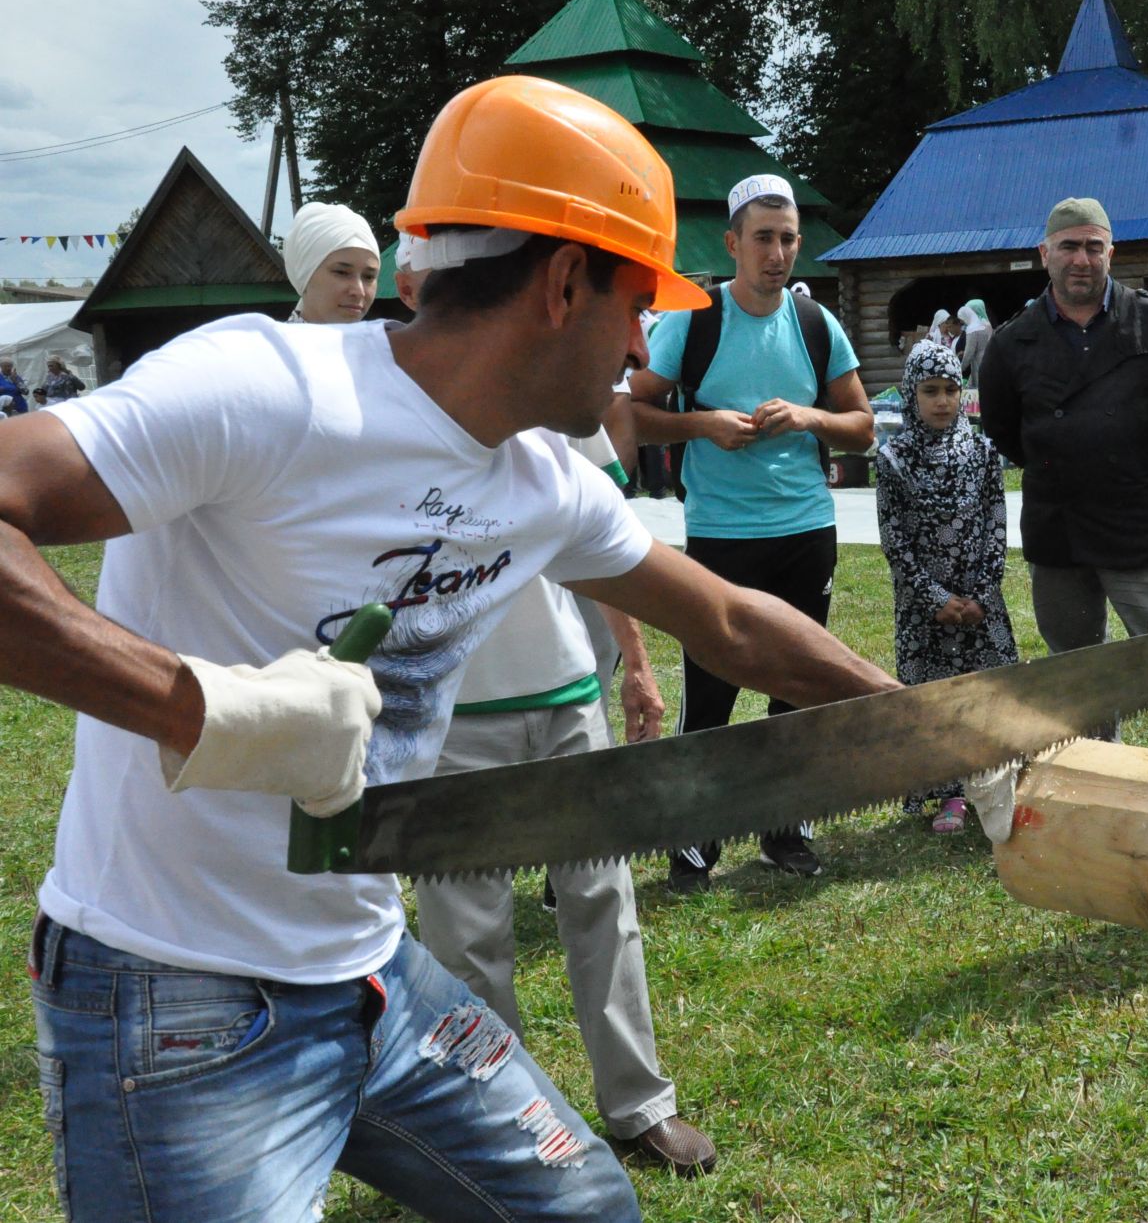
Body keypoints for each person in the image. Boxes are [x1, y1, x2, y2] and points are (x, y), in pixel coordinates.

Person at [2, 75, 896, 1221]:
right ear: (565, 282)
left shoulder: (542, 482)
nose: (641, 343)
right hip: (173, 991)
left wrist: (952, 724)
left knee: (589, 1209)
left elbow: (727, 623)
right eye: (636, 304)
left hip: (373, 977)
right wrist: (200, 710)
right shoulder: (265, 389)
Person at [387, 237, 717, 1178]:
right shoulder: (381, 412)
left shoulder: (558, 390)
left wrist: (637, 665)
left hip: (568, 695)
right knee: (466, 932)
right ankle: (495, 1125)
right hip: (451, 718)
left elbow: (609, 553)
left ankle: (639, 1104)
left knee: (603, 901)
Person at [625, 172, 875, 892]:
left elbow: (861, 427)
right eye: (763, 238)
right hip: (722, 532)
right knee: (711, 688)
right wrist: (700, 424)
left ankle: (784, 826)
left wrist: (808, 418)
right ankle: (695, 841)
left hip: (805, 526)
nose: (777, 252)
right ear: (732, 243)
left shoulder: (814, 323)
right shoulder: (693, 321)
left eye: (788, 238)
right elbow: (632, 414)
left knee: (797, 685)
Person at [977, 196, 1148, 757]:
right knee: (1078, 678)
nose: (1080, 259)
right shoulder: (1012, 343)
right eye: (1068, 247)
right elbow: (1005, 430)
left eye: (1092, 246)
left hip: (1143, 523)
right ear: (1045, 254)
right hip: (1059, 531)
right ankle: (1096, 781)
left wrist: (1141, 465)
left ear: (1112, 252)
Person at [874, 340, 1018, 832]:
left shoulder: (982, 452)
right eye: (929, 390)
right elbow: (893, 538)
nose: (941, 401)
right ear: (911, 394)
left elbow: (997, 523)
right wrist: (933, 598)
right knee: (933, 700)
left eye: (951, 389)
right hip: (924, 608)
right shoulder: (893, 458)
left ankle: (997, 778)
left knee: (991, 692)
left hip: (981, 600)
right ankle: (947, 793)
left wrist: (981, 592)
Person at [282, 200, 381, 324]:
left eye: (369, 277)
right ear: (304, 275)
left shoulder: (384, 342)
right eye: (342, 272)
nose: (359, 291)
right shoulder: (265, 343)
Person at [957, 298, 992, 384]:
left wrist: (959, 369)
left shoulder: (974, 328)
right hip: (988, 366)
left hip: (980, 369)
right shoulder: (987, 324)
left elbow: (970, 352)